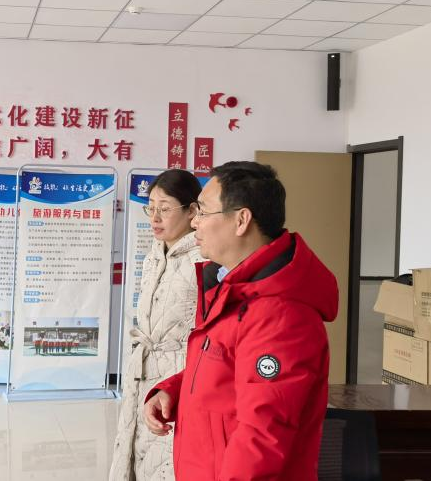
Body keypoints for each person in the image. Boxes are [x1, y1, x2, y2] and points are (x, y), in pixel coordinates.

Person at [143, 162, 338, 481]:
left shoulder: (281, 316)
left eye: (203, 211)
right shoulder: (234, 290)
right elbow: (224, 372)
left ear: (241, 220)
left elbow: (262, 436)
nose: (195, 222)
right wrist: (173, 391)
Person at [110, 169, 203, 481]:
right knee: (139, 452)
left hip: (179, 373)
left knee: (167, 460)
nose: (155, 217)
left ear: (192, 211)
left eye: (164, 208)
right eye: (150, 208)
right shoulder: (155, 255)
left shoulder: (203, 259)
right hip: (144, 370)